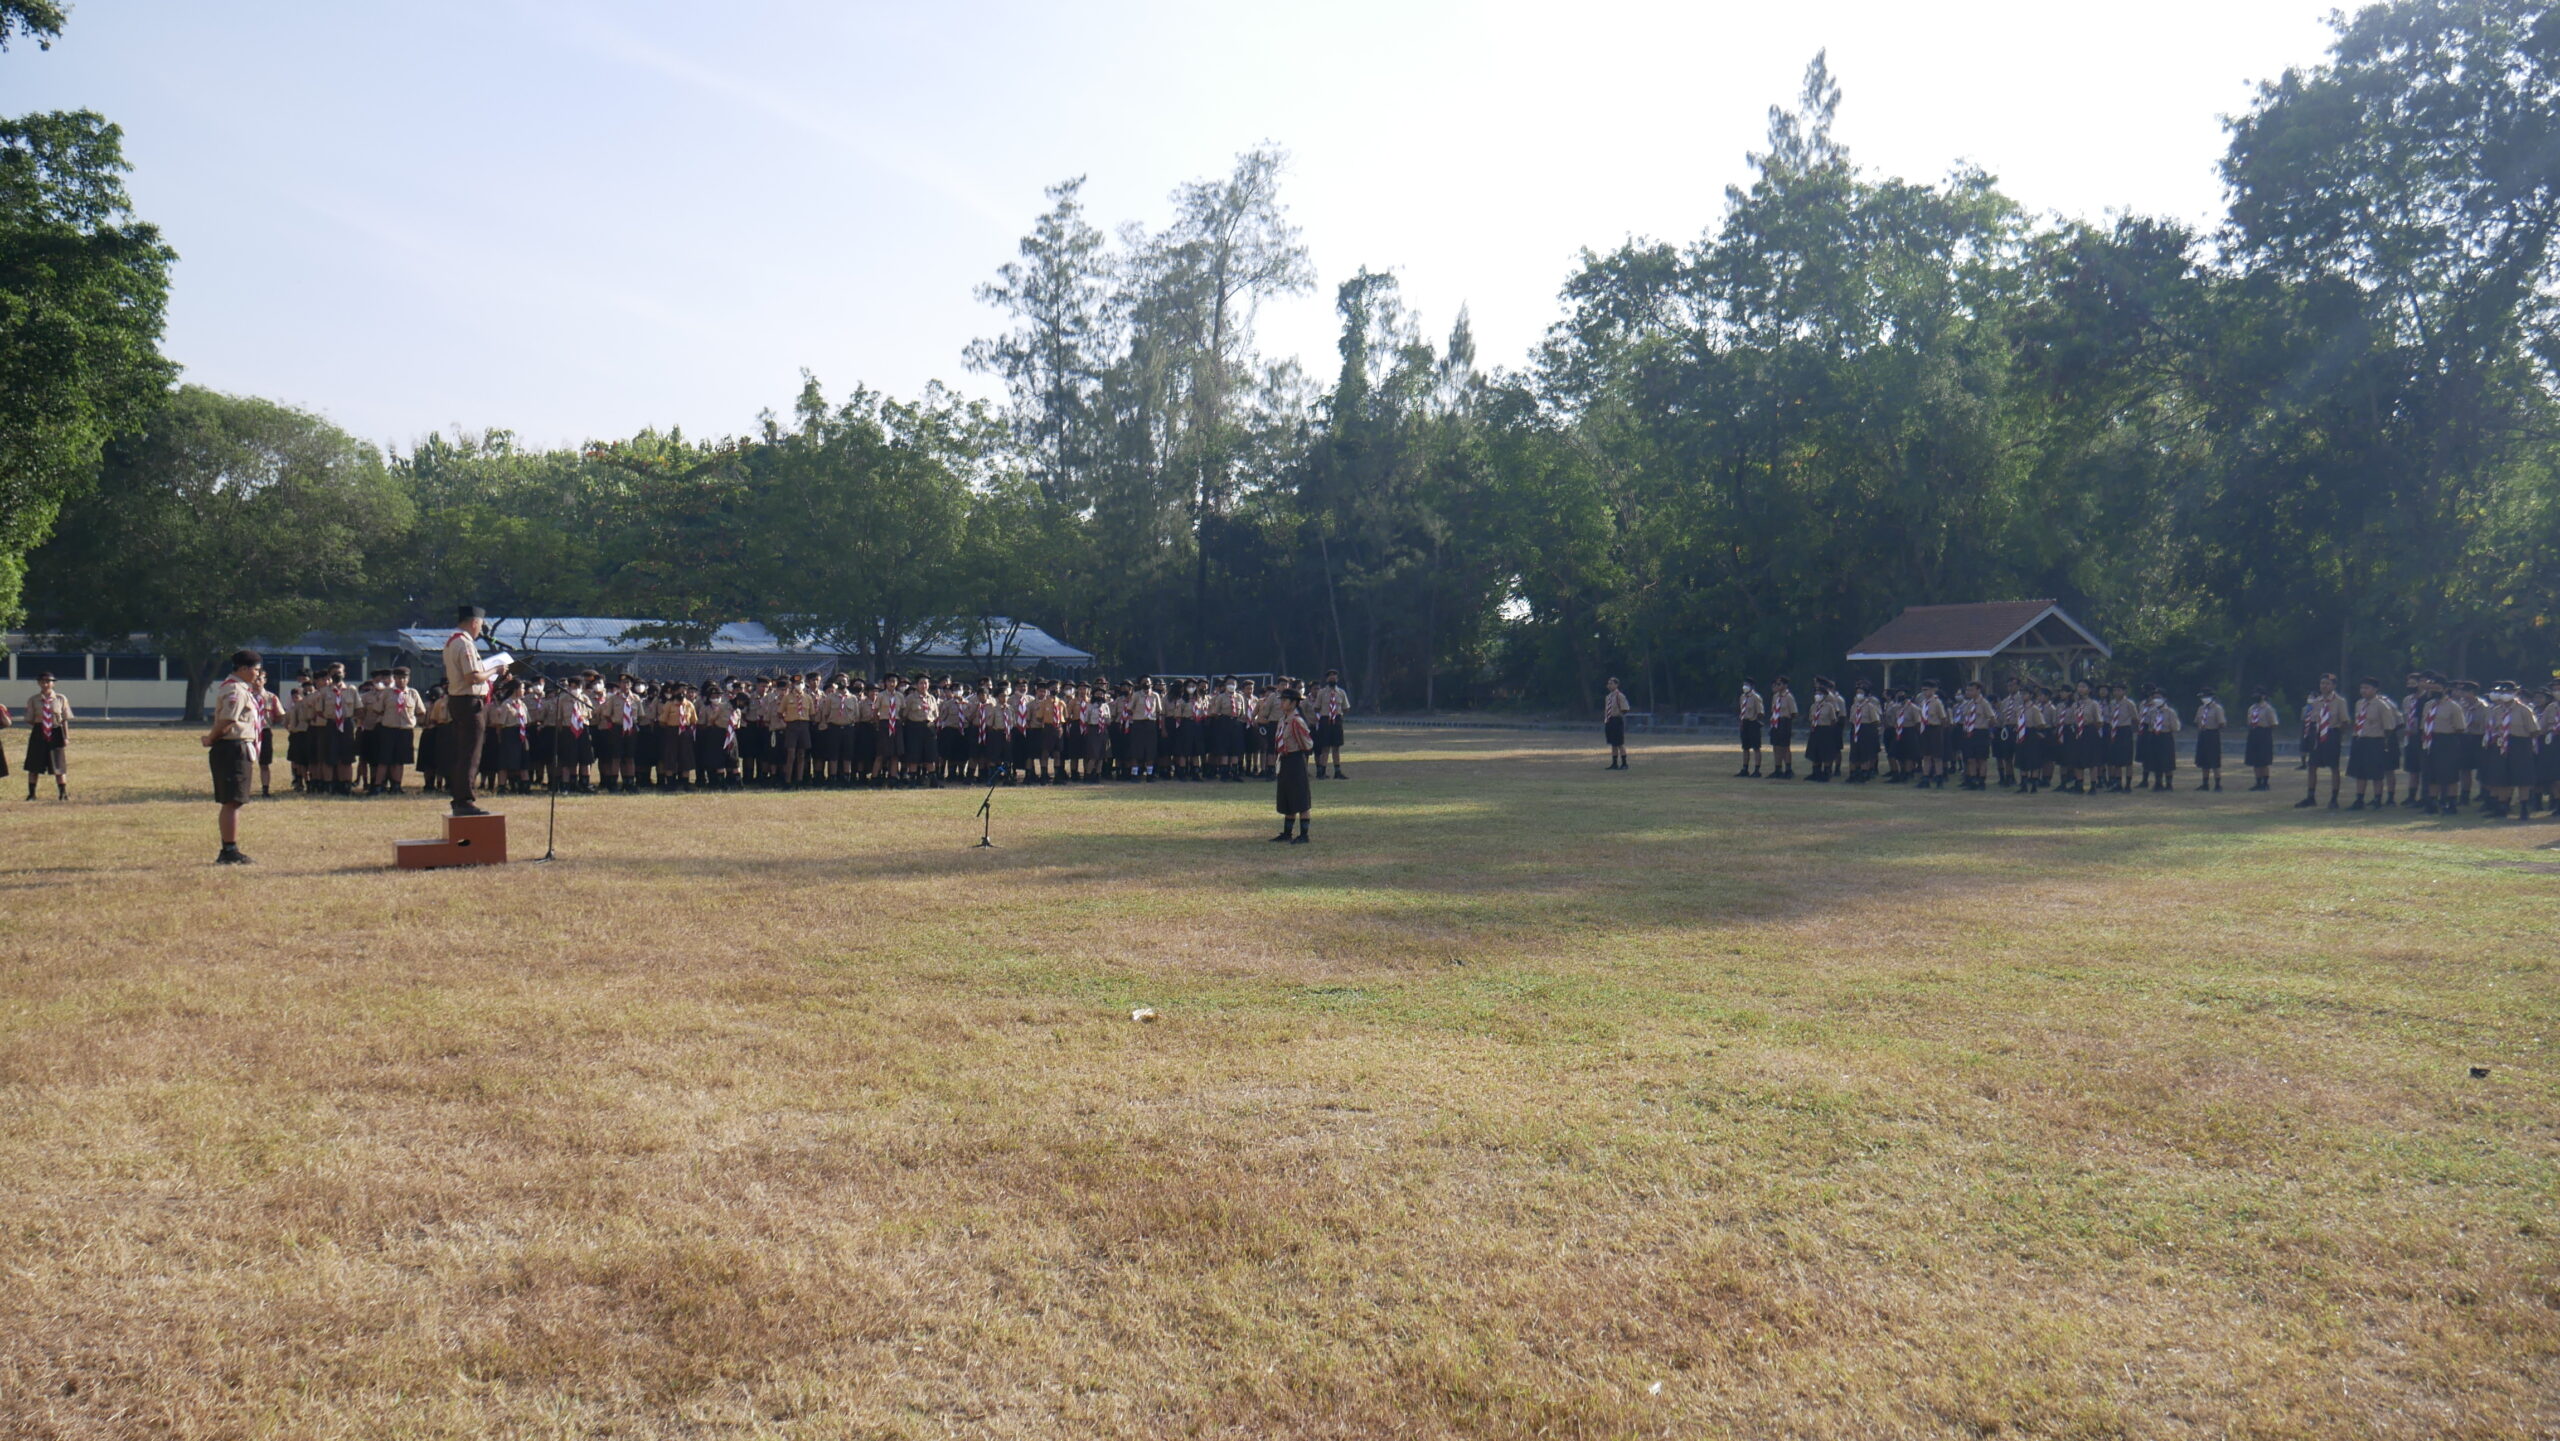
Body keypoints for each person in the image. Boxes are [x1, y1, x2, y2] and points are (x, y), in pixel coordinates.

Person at [200, 650, 267, 864]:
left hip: (237, 747)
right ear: (244, 668)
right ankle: (229, 851)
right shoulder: (235, 690)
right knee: (232, 801)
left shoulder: (242, 688)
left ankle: (230, 848)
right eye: (256, 669)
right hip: (232, 748)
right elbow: (228, 720)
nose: (258, 674)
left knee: (234, 801)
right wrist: (211, 738)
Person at [442, 604, 496, 817]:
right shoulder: (464, 643)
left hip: (459, 700)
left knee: (464, 751)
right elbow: (472, 677)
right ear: (474, 622)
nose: (481, 629)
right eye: (480, 625)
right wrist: (495, 669)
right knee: (471, 753)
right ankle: (464, 799)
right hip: (468, 702)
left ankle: (460, 797)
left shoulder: (452, 641)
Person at [2346, 677, 2400, 811]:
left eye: (2367, 688)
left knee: (2376, 773)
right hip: (2360, 739)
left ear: (2375, 689)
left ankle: (2377, 799)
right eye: (2362, 688)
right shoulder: (2359, 703)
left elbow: (2389, 727)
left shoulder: (2382, 705)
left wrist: (2384, 743)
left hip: (2375, 740)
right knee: (2360, 772)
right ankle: (2359, 799)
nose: (2363, 691)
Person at [2298, 674, 2349, 809]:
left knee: (2334, 767)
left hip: (2332, 733)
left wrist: (2337, 735)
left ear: (2333, 686)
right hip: (2317, 734)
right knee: (2312, 766)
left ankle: (2334, 798)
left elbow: (2344, 721)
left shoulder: (2339, 701)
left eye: (2327, 683)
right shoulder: (2316, 701)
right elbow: (2312, 719)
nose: (2324, 686)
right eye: (2322, 683)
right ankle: (2310, 796)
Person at [1272, 686, 1314, 843]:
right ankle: (1287, 833)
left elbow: (1307, 744)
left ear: (1294, 703)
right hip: (1284, 760)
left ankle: (1304, 834)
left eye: (1285, 700)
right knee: (1287, 797)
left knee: (1300, 799)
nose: (1282, 703)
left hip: (1295, 760)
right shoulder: (1283, 719)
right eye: (1281, 700)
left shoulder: (1296, 721)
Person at [23, 671, 70, 800]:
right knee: (34, 765)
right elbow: (29, 718)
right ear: (38, 683)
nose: (45, 684)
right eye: (42, 681)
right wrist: (42, 725)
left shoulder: (60, 699)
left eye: (48, 681)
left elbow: (65, 719)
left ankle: (63, 793)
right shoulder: (33, 700)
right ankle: (32, 794)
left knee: (58, 764)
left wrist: (66, 737)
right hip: (39, 732)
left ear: (53, 683)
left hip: (56, 732)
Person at [1312, 670, 1351, 779]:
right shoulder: (1322, 692)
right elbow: (1316, 707)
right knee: (1325, 747)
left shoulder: (1341, 692)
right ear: (1327, 679)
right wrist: (1326, 713)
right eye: (1330, 677)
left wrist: (1338, 714)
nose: (1332, 679)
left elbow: (1346, 707)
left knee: (1336, 747)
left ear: (1337, 679)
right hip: (1325, 720)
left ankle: (1337, 771)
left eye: (1334, 677)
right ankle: (1322, 771)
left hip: (1337, 721)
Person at [2192, 689, 2226, 791]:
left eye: (2205, 696)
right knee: (2204, 760)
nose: (2203, 699)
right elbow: (2197, 721)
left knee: (2214, 760)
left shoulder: (2217, 708)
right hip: (2203, 734)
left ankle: (2217, 784)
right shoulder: (2201, 708)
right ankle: (2205, 784)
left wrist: (2213, 729)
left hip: (2213, 734)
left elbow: (2222, 723)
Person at [2244, 690, 2278, 790]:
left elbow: (2273, 723)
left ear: (2263, 696)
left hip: (2264, 733)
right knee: (2255, 760)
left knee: (2264, 760)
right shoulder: (2252, 708)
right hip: (2253, 733)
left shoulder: (2268, 709)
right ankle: (2258, 782)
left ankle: (2265, 783)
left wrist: (2265, 731)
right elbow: (2249, 721)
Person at [1766, 677, 1797, 779]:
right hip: (1776, 721)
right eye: (1777, 684)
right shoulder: (1775, 696)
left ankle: (1788, 769)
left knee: (1785, 746)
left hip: (1785, 722)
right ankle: (1778, 769)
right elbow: (1773, 710)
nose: (1777, 686)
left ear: (1785, 685)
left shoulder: (1789, 697)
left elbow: (1794, 712)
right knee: (1776, 746)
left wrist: (1787, 722)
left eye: (1779, 684)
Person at [1736, 681, 1765, 777]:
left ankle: (1757, 770)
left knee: (1756, 747)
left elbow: (1760, 712)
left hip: (1753, 722)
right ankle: (1745, 768)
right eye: (1744, 684)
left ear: (1752, 686)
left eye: (1747, 685)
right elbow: (1741, 710)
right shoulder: (1742, 697)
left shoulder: (1756, 697)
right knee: (1745, 747)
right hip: (1745, 723)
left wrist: (1756, 721)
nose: (1745, 687)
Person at [1602, 677, 1631, 770]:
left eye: (1611, 683)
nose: (1609, 685)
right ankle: (1614, 763)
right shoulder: (1608, 697)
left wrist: (1618, 715)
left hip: (1617, 720)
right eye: (1608, 683)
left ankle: (1624, 763)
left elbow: (1625, 708)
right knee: (1613, 743)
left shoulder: (1620, 696)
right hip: (1609, 720)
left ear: (1616, 685)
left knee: (1619, 743)